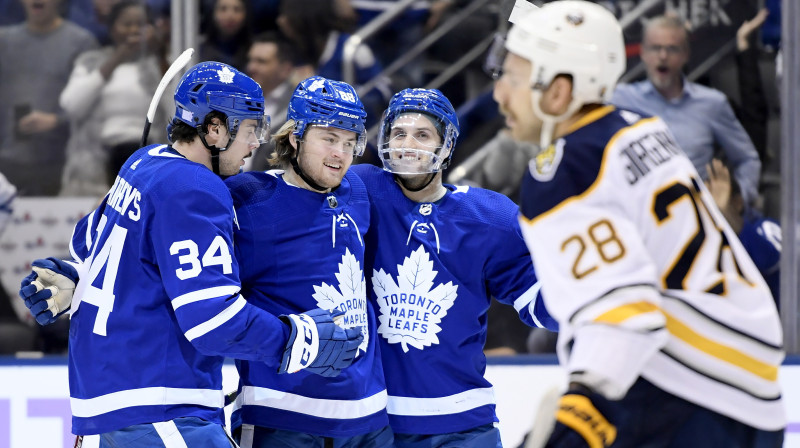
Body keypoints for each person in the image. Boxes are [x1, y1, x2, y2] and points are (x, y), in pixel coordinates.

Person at [17, 62, 364, 447]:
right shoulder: (196, 188)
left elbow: (87, 246)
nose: (255, 144)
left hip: (103, 413)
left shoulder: (142, 163)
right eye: (251, 129)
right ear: (215, 129)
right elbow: (212, 321)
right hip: (162, 411)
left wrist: (73, 277)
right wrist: (298, 338)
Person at [491, 1, 785, 446]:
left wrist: (578, 418)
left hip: (690, 393)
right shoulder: (640, 128)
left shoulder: (565, 171)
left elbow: (624, 318)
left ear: (557, 93)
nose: (499, 94)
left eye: (512, 77)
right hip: (755, 384)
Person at [349, 88, 557, 448]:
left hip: (463, 425)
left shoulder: (488, 216)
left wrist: (594, 309)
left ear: (445, 146)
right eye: (399, 133)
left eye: (422, 134)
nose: (408, 144)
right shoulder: (360, 190)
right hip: (376, 426)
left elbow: (541, 301)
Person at [227, 76, 393, 448]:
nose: (341, 154)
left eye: (350, 142)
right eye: (330, 139)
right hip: (281, 415)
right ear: (295, 136)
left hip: (366, 416)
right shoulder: (248, 199)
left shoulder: (361, 189)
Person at [611, 14, 762, 206]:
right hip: (635, 214)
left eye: (672, 49)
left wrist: (736, 203)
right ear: (642, 52)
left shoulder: (712, 103)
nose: (663, 56)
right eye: (655, 48)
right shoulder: (620, 98)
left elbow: (747, 158)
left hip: (697, 216)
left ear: (686, 54)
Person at [59, 0, 168, 196]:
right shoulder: (90, 62)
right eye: (127, 24)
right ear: (112, 28)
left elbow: (177, 110)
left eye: (140, 24)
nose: (134, 30)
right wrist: (116, 59)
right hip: (95, 172)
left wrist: (158, 54)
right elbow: (72, 106)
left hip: (149, 166)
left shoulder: (160, 65)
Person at [0, 0, 98, 196]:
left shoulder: (81, 42)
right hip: (5, 162)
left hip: (61, 162)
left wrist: (57, 120)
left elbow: (93, 104)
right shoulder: (4, 42)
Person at [706, 159, 781, 307]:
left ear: (738, 202)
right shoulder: (706, 240)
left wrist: (726, 212)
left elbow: (769, 261)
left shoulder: (765, 227)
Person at [243, 31, 295, 172]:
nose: (251, 67)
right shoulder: (240, 100)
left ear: (285, 69)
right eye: (251, 60)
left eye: (261, 61)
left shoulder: (297, 106)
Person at [199, 0, 253, 71]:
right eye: (223, 9)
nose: (230, 16)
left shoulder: (254, 52)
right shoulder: (199, 52)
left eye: (236, 9)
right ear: (213, 14)